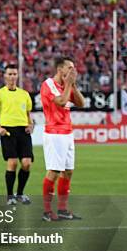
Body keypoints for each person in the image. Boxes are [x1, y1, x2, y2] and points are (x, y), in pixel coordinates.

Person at [40, 57, 85, 221]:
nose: (73, 70)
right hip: (54, 133)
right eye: (70, 68)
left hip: (67, 132)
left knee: (68, 172)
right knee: (54, 172)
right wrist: (68, 85)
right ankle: (46, 211)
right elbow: (61, 101)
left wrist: (73, 85)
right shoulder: (48, 84)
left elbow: (81, 103)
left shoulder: (68, 85)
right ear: (60, 70)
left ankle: (63, 210)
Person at [0, 65, 34, 205]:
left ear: (17, 76)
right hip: (7, 131)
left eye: (15, 74)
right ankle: (10, 196)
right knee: (12, 163)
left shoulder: (24, 94)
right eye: (10, 74)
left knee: (26, 163)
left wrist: (30, 125)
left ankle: (19, 194)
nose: (12, 76)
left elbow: (27, 114)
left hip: (23, 132)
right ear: (5, 76)